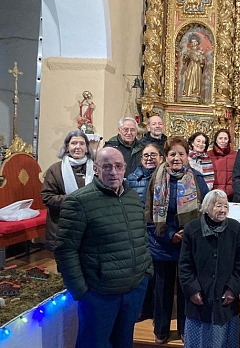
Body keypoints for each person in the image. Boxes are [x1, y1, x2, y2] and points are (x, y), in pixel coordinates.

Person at [55, 147, 153, 348]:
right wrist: (80, 291)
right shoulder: (79, 201)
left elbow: (141, 235)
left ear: (125, 168)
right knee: (94, 343)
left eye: (118, 166)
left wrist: (146, 271)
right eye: (107, 166)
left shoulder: (132, 197)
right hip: (100, 293)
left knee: (124, 342)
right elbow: (65, 250)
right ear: (96, 169)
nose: (113, 172)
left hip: (134, 288)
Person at [145, 136, 210, 344]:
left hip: (188, 244)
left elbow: (205, 212)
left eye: (181, 153)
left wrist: (187, 234)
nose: (177, 158)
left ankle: (185, 329)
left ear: (187, 156)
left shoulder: (197, 179)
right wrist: (169, 235)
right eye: (172, 154)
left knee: (185, 289)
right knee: (162, 290)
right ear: (165, 156)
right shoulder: (156, 179)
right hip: (161, 243)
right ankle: (161, 330)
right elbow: (148, 214)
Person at [179, 190, 240, 347]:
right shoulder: (192, 229)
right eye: (218, 205)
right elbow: (184, 264)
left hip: (225, 299)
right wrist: (192, 290)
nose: (223, 210)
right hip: (199, 299)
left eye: (225, 206)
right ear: (207, 207)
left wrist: (233, 289)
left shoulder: (235, 228)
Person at [126, 143, 164, 322]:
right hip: (139, 233)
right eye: (146, 155)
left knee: (158, 275)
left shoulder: (166, 177)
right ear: (141, 159)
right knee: (142, 273)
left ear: (161, 158)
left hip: (160, 233)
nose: (149, 158)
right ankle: (142, 308)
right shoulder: (132, 179)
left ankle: (157, 309)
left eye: (153, 155)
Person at [41, 130, 95, 252]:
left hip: (91, 226)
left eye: (82, 143)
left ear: (87, 148)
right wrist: (74, 200)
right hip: (62, 225)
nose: (78, 147)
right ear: (67, 147)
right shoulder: (55, 170)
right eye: (74, 143)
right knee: (67, 266)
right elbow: (47, 197)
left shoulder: (97, 168)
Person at [207, 128, 237, 200]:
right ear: (216, 140)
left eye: (225, 138)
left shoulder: (236, 155)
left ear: (229, 140)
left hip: (231, 195)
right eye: (220, 138)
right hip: (213, 194)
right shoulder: (208, 154)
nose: (223, 141)